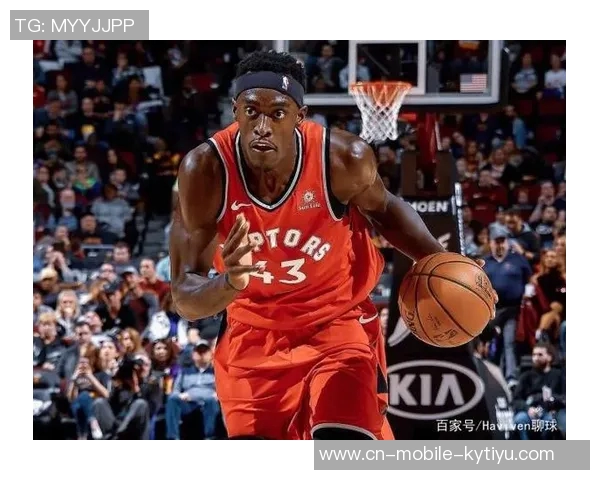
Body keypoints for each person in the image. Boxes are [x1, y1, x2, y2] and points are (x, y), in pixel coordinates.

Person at [169, 50, 493, 440]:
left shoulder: (342, 159)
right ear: (235, 110)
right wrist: (228, 283)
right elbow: (184, 297)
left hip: (337, 326)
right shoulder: (205, 171)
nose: (262, 127)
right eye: (251, 112)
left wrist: (442, 260)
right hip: (252, 340)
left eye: (277, 113)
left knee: (343, 447)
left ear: (300, 116)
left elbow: (386, 210)